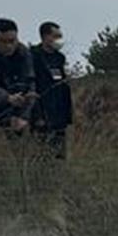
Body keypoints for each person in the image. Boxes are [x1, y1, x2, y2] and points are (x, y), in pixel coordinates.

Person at [30, 21, 73, 158]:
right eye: (55, 36)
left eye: (59, 36)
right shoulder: (33, 56)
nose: (58, 40)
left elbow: (63, 84)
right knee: (42, 153)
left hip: (59, 113)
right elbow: (32, 85)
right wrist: (37, 115)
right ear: (45, 36)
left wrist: (68, 115)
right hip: (42, 110)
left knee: (59, 154)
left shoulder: (59, 58)